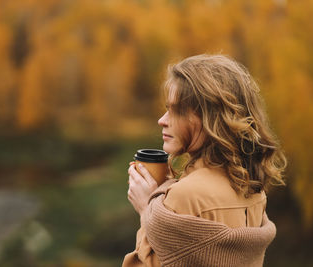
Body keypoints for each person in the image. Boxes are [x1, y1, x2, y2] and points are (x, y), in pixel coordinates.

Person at [122, 54, 286, 267]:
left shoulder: (184, 197)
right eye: (167, 109)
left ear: (212, 118)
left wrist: (148, 212)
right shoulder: (253, 188)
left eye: (177, 111)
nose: (162, 120)